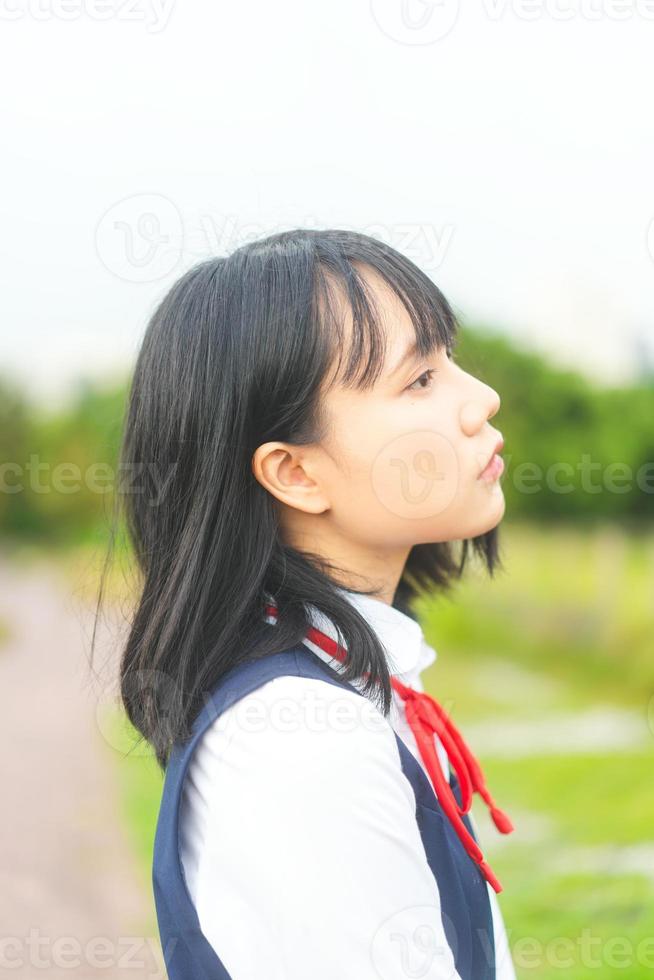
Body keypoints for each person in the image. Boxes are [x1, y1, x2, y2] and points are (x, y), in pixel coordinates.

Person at [111, 228, 517, 978]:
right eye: (420, 379)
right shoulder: (299, 742)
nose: (481, 398)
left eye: (449, 359)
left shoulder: (346, 680)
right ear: (296, 473)